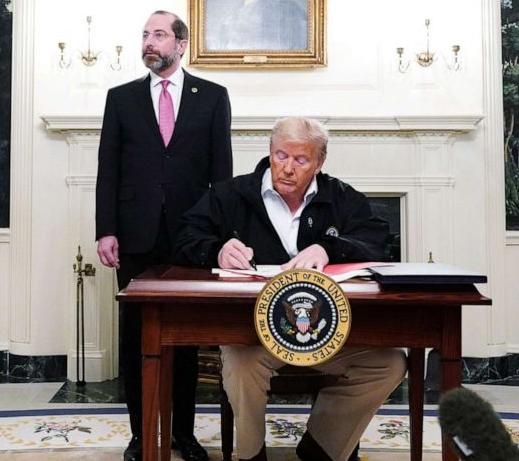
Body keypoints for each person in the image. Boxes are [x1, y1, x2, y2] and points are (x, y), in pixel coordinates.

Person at [174, 117, 407, 461]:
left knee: (390, 364)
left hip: (329, 335)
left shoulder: (341, 197)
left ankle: (321, 446)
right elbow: (185, 237)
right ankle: (251, 455)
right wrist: (217, 249)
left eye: (300, 160)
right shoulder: (230, 195)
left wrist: (331, 249)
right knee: (239, 363)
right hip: (251, 334)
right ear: (269, 152)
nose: (287, 168)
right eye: (281, 156)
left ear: (319, 162)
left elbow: (378, 241)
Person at [95, 10, 232, 461]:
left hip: (191, 238)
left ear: (180, 44)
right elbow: (107, 171)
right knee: (137, 340)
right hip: (134, 235)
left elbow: (222, 176)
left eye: (158, 35)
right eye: (145, 35)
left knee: (186, 342)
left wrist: (220, 236)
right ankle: (141, 435)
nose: (149, 42)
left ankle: (184, 434)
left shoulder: (213, 97)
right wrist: (106, 230)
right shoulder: (121, 98)